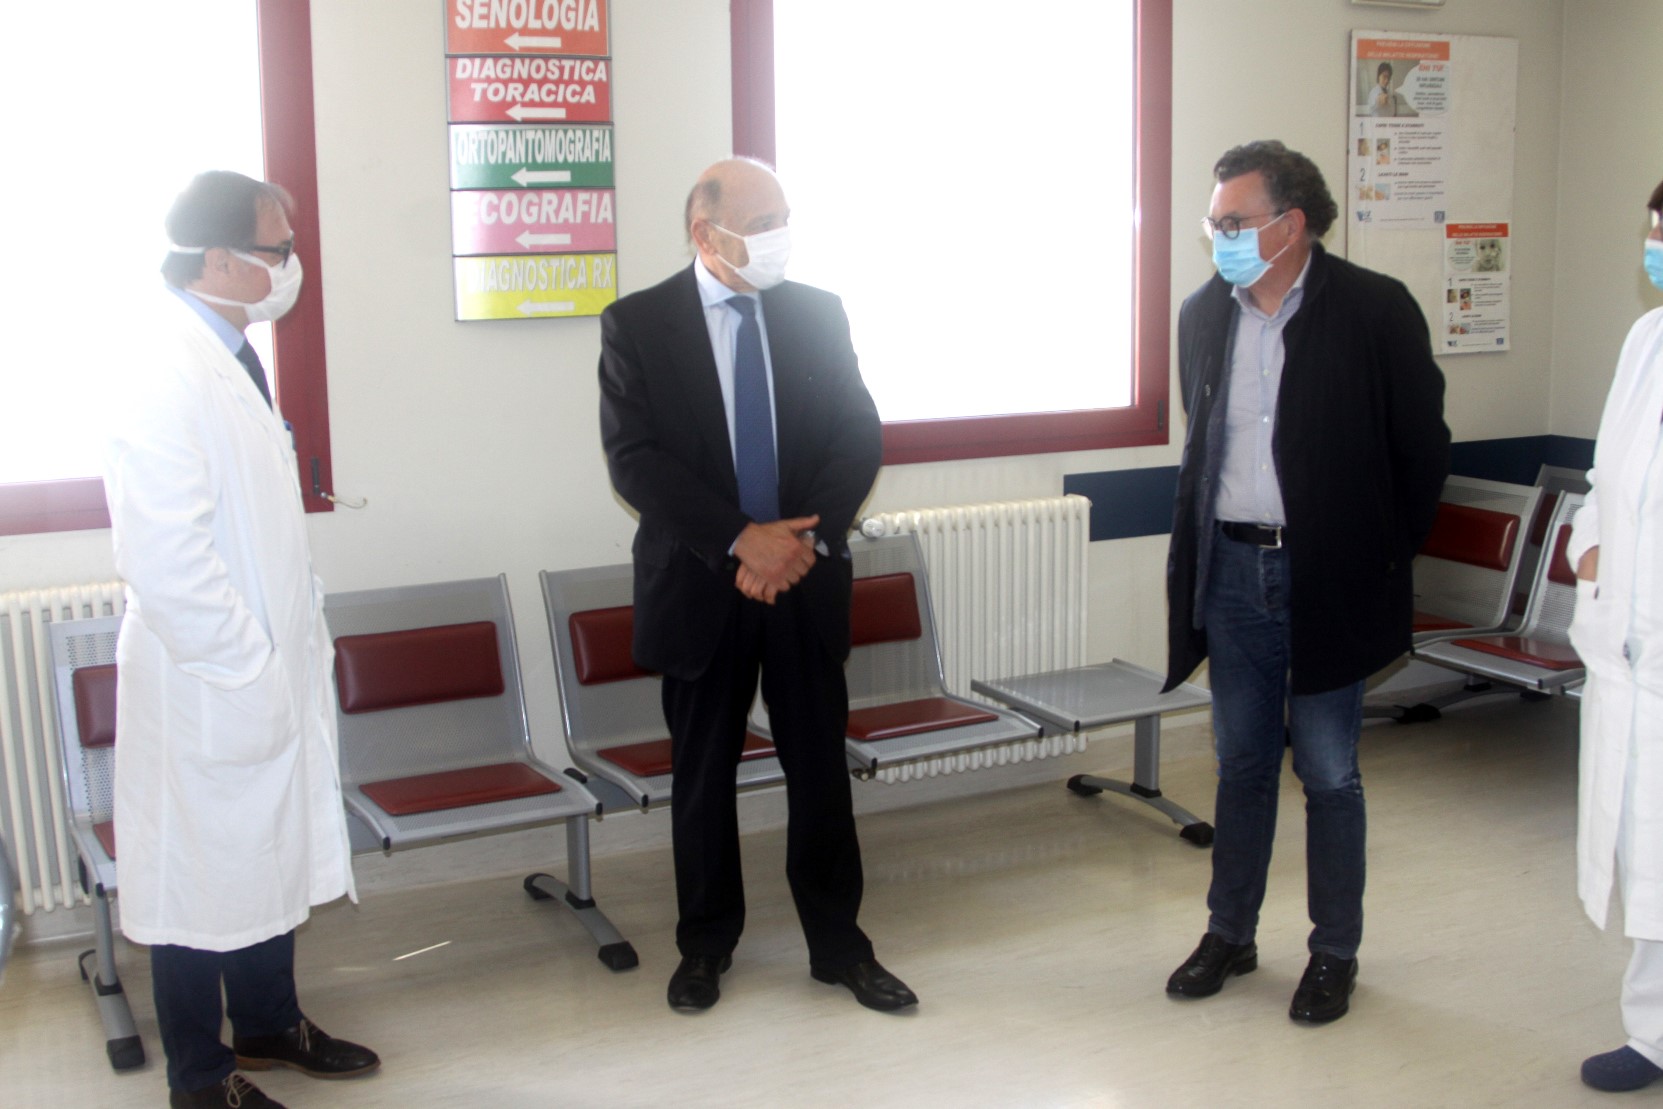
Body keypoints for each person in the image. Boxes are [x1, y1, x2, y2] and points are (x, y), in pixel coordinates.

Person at [598, 157, 916, 1015]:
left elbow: (856, 434)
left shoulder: (817, 312)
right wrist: (743, 540)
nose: (781, 236)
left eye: (785, 218)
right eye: (762, 222)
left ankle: (839, 946)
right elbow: (635, 461)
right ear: (705, 233)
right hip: (701, 582)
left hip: (802, 580)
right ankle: (705, 945)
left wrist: (796, 545)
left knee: (818, 767)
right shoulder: (638, 323)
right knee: (703, 776)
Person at [103, 171, 378, 1109]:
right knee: (196, 879)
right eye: (277, 248)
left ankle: (268, 1023)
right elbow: (166, 558)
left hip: (254, 665)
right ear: (218, 260)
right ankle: (200, 1074)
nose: (292, 264)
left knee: (262, 853)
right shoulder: (163, 366)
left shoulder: (231, 355)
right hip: (206, 677)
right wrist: (246, 666)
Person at [1161, 141, 1449, 1024]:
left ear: (1289, 225)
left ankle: (1334, 952)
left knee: (1327, 770)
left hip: (1328, 575)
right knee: (1242, 762)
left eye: (1233, 221)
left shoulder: (1373, 308)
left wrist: (1380, 558)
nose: (1218, 236)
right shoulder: (1202, 314)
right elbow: (1205, 441)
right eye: (1213, 222)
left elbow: (1420, 450)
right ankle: (1230, 932)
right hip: (1231, 569)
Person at [1566, 178, 1663, 1093]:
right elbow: (1603, 483)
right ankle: (1654, 1031)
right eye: (1653, 231)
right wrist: (1590, 551)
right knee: (1646, 848)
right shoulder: (1646, 341)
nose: (1653, 249)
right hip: (1631, 656)